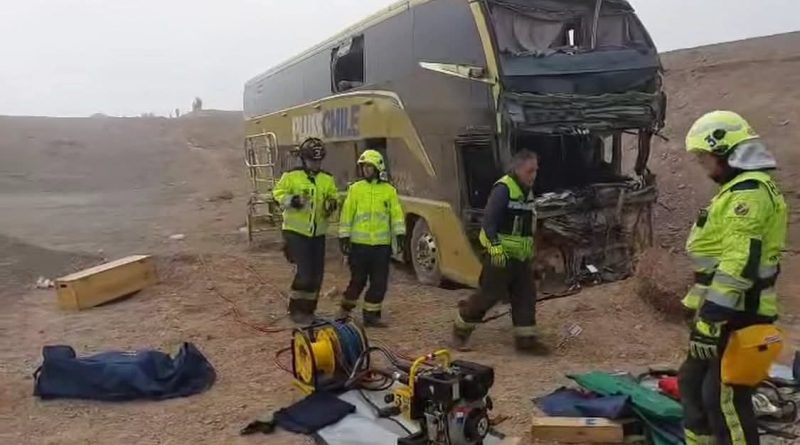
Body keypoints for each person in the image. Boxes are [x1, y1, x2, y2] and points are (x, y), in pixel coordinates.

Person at [678, 111, 787, 445]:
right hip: (725, 312)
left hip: (740, 315)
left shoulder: (749, 194)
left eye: (703, 157)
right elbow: (714, 262)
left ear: (724, 150)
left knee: (723, 400)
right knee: (692, 384)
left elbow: (739, 265)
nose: (703, 165)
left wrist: (710, 320)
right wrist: (693, 305)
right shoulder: (736, 190)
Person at [452, 150, 549, 354]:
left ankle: (526, 342)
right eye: (530, 171)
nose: (533, 175)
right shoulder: (503, 189)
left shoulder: (527, 192)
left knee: (525, 297)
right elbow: (489, 223)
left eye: (536, 171)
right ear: (517, 169)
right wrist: (495, 248)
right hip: (500, 256)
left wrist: (532, 251)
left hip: (520, 258)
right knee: (489, 296)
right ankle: (461, 328)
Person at [272, 138, 339, 324]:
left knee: (317, 274)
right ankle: (296, 309)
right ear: (304, 159)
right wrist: (292, 200)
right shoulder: (292, 176)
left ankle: (309, 310)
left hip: (317, 234)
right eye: (312, 161)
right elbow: (277, 193)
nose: (315, 165)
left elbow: (333, 196)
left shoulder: (327, 178)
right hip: (296, 232)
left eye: (318, 161)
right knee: (305, 272)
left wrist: (331, 203)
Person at [338, 149, 405, 327]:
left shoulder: (389, 191)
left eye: (369, 166)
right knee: (357, 281)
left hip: (381, 247)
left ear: (377, 168)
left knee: (379, 283)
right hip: (359, 247)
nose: (366, 170)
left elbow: (396, 215)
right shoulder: (355, 189)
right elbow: (347, 215)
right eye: (364, 167)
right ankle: (344, 311)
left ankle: (371, 316)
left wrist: (400, 234)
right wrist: (344, 238)